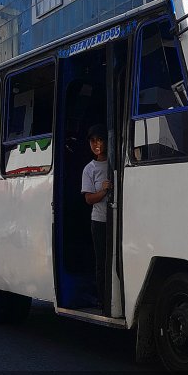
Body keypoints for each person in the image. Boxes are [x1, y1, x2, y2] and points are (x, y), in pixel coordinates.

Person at [81, 124, 111, 310]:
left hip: (118, 220)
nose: (96, 144)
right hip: (99, 222)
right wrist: (103, 191)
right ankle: (103, 299)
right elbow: (89, 199)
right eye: (93, 141)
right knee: (102, 262)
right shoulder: (89, 169)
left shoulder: (116, 161)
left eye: (99, 140)